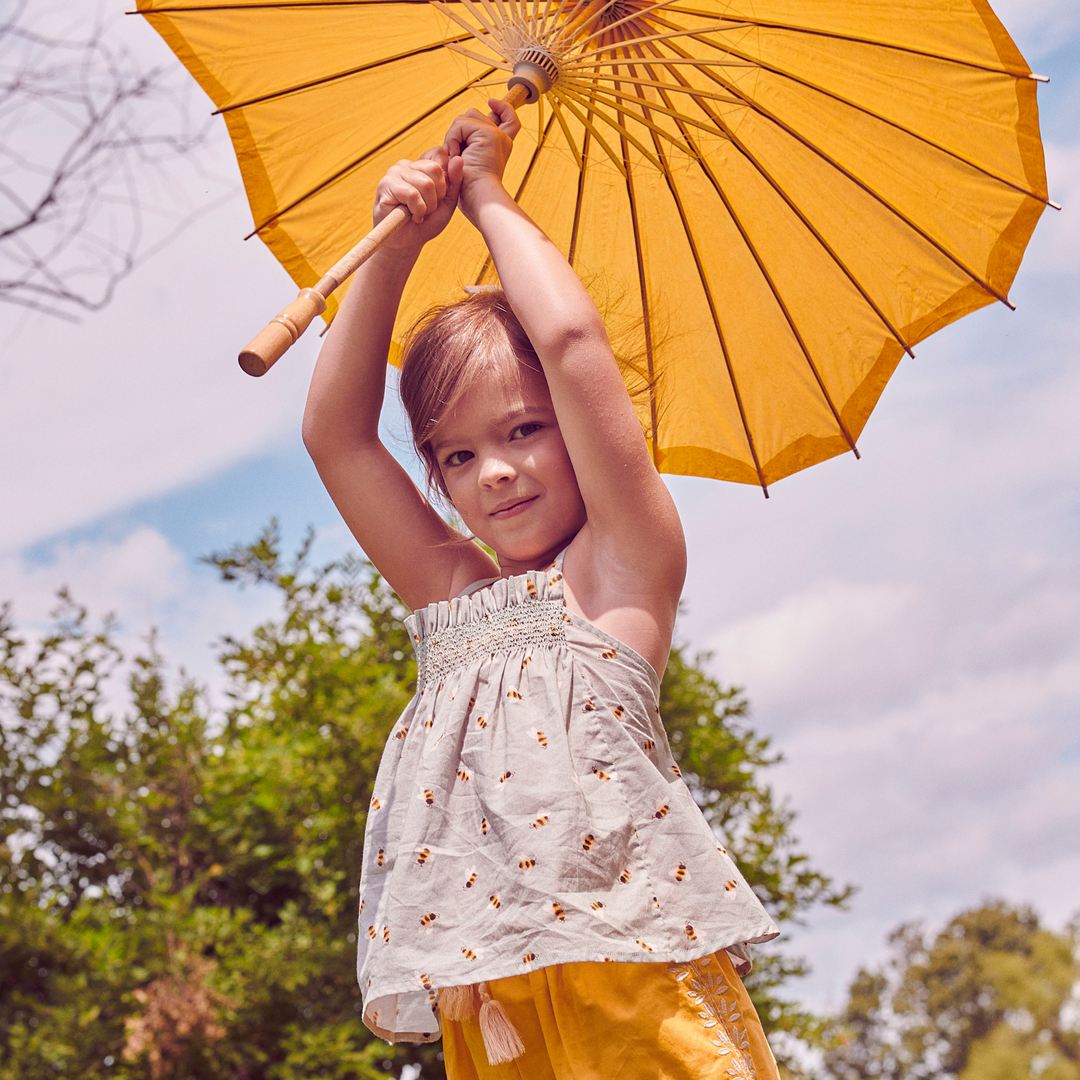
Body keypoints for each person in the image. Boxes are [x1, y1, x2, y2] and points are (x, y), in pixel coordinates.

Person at [303, 100, 780, 1080]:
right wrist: (398, 244)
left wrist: (484, 196)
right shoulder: (452, 600)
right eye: (461, 454)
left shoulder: (620, 572)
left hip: (632, 971)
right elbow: (338, 438)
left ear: (572, 428)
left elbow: (570, 346)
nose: (498, 473)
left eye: (524, 431)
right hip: (491, 996)